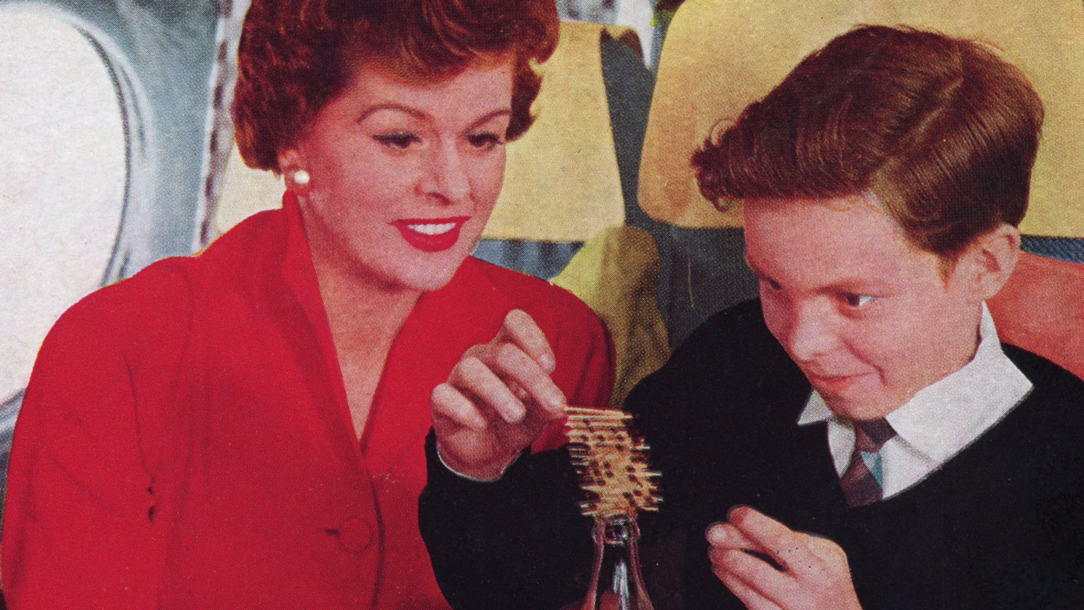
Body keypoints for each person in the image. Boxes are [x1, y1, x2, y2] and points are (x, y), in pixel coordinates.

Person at [420, 25, 1084, 609]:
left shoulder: (1065, 466)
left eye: (854, 299)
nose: (802, 341)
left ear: (987, 265)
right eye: (772, 282)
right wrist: (476, 472)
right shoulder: (732, 362)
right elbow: (514, 583)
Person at [0, 0, 614, 608]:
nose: (454, 186)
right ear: (294, 139)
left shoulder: (559, 342)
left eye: (483, 138)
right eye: (399, 139)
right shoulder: (117, 347)